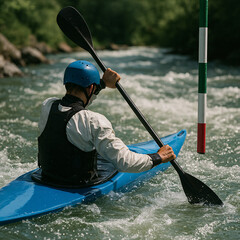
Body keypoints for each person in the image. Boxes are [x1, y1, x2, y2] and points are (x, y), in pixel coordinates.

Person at [38, 60, 176, 185]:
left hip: (46, 177)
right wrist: (158, 157)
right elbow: (125, 163)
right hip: (77, 184)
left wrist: (102, 83)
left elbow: (74, 109)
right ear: (91, 88)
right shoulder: (94, 121)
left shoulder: (48, 106)